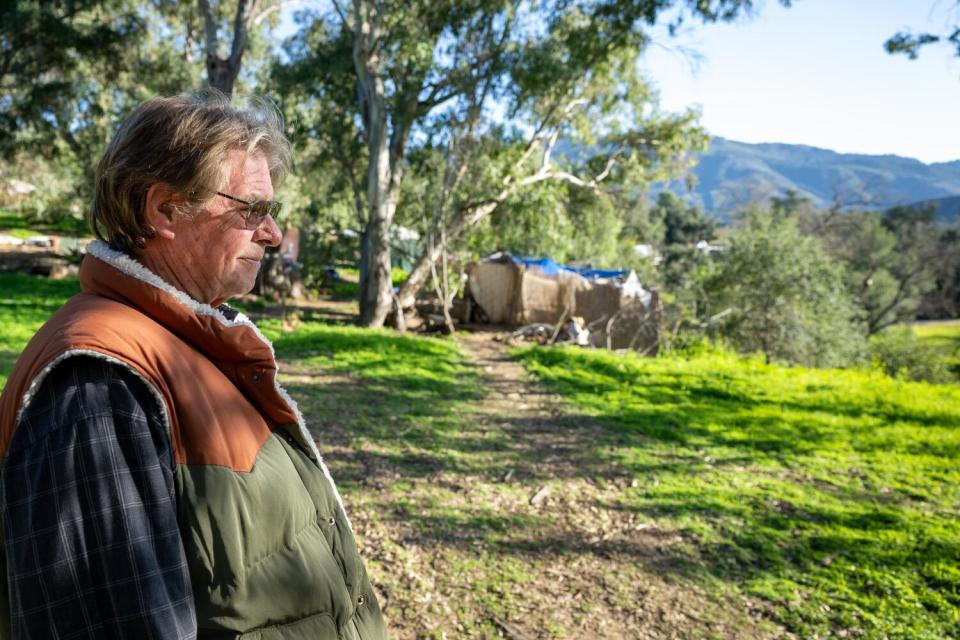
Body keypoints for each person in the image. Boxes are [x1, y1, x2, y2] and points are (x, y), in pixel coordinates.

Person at [0, 92, 388, 639]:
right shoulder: (99, 381)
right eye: (251, 209)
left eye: (271, 212)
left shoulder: (193, 341)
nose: (272, 234)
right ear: (165, 210)